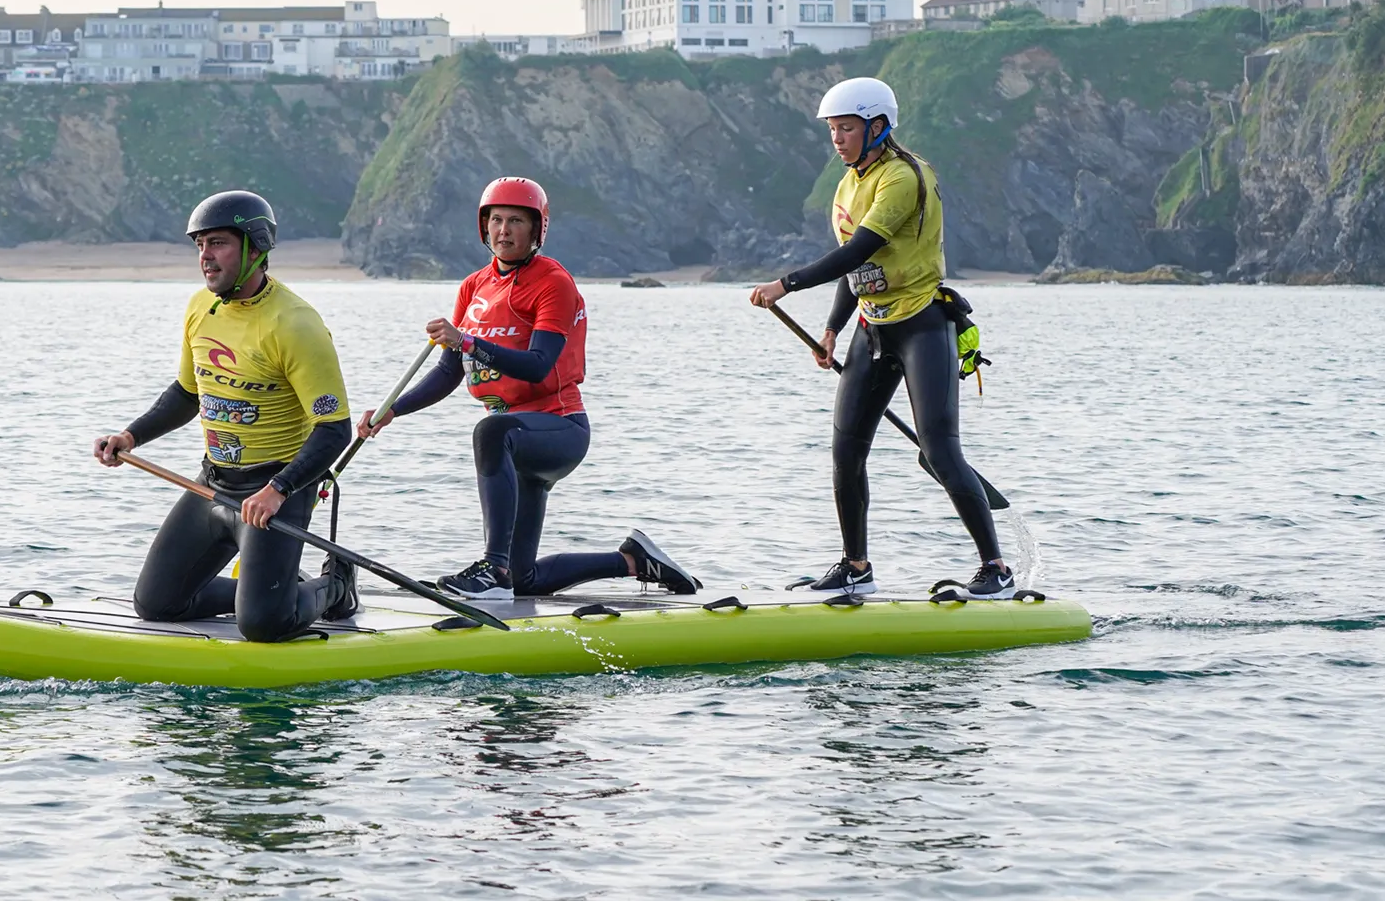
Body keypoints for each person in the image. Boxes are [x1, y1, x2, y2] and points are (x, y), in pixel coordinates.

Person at [355, 176, 700, 601]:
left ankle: (492, 568)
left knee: (490, 432)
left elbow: (539, 367)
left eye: (516, 221)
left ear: (537, 230)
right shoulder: (473, 286)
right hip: (514, 442)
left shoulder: (553, 282)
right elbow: (449, 372)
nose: (504, 230)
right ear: (484, 228)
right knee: (527, 580)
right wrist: (393, 409)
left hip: (559, 430)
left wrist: (467, 341)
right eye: (496, 220)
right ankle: (635, 561)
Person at [748, 77, 1013, 598]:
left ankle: (996, 570)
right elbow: (859, 268)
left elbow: (856, 249)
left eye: (846, 128)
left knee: (939, 451)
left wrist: (787, 284)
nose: (837, 139)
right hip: (873, 328)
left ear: (877, 126)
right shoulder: (848, 184)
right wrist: (831, 329)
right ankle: (856, 566)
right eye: (832, 130)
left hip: (922, 324)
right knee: (846, 450)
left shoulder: (903, 178)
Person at [93, 190, 359, 641]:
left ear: (255, 247)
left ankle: (334, 585)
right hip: (213, 484)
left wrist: (279, 490)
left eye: (217, 243)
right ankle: (265, 587)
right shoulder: (200, 308)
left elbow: (335, 430)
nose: (205, 257)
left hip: (276, 490)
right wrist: (130, 436)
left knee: (263, 625)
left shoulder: (295, 324)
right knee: (157, 605)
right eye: (199, 245)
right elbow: (186, 393)